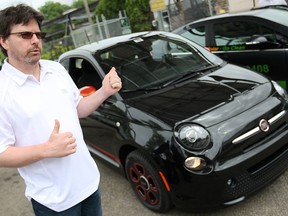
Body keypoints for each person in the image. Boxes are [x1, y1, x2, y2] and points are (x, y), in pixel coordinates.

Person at [0, 4, 122, 216]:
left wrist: (103, 91)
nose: (35, 40)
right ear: (3, 40)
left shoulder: (55, 70)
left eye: (39, 34)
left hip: (89, 184)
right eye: (25, 35)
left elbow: (79, 109)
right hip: (54, 202)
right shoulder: (3, 91)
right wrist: (46, 149)